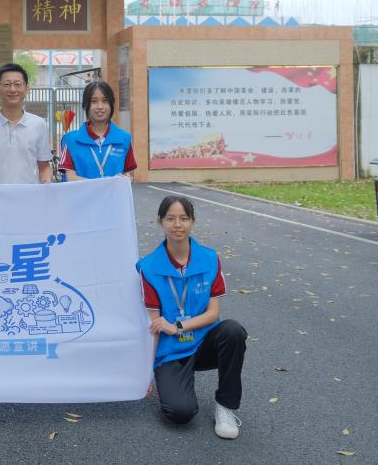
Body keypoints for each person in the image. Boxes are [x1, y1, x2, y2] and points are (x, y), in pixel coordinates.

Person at [136, 195, 247, 439]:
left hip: (203, 342)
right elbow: (154, 326)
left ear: (192, 222)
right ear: (160, 222)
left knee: (233, 331)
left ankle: (226, 407)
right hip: (171, 351)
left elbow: (213, 313)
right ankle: (174, 383)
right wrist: (146, 375)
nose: (178, 225)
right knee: (180, 413)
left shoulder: (209, 258)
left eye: (184, 218)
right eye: (171, 219)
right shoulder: (148, 267)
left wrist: (178, 326)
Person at [0, 63, 52, 184]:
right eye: (7, 84)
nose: (13, 89)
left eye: (18, 84)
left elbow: (44, 166)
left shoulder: (39, 125)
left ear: (26, 89)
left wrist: (46, 182)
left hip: (29, 195)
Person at [58, 80, 137, 180]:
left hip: (113, 191)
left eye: (105, 101)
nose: (100, 107)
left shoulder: (124, 138)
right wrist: (105, 184)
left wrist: (126, 178)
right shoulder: (70, 140)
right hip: (86, 192)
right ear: (85, 105)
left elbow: (127, 174)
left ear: (111, 104)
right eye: (94, 101)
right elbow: (70, 178)